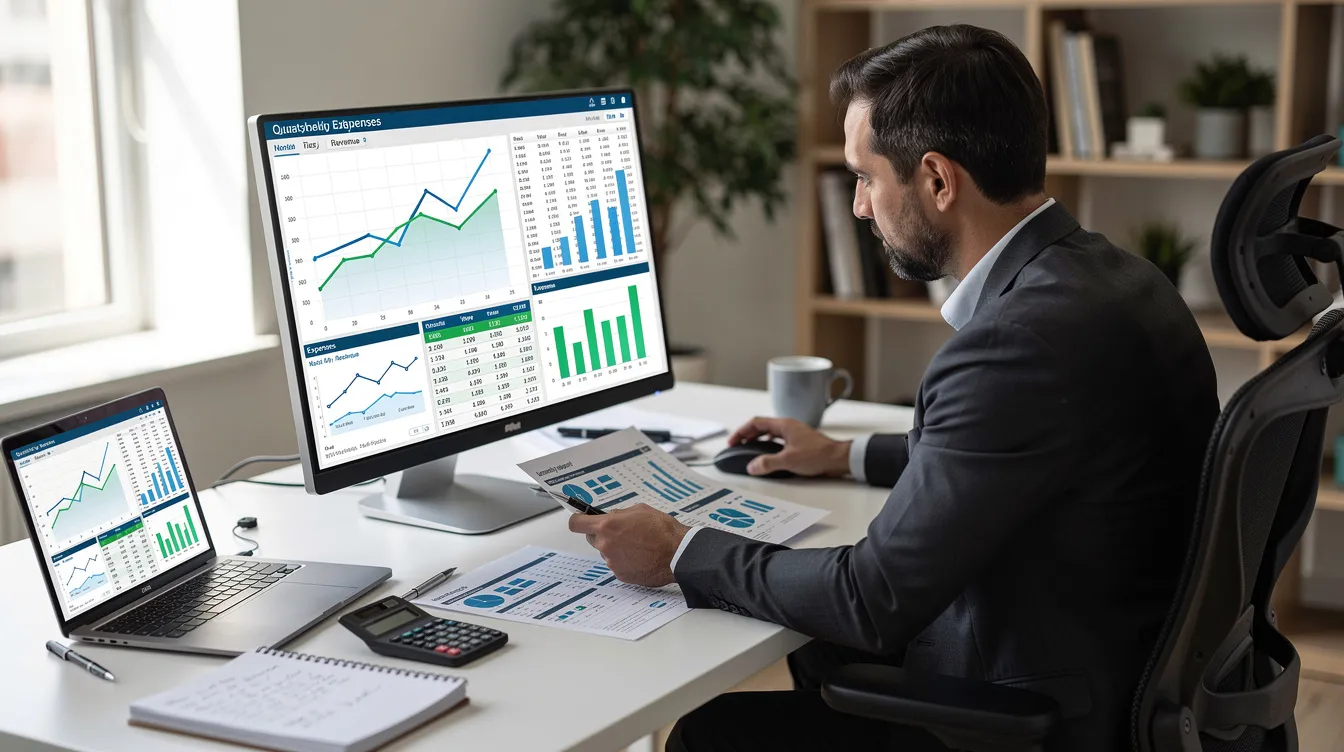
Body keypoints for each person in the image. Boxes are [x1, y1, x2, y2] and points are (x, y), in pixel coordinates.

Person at [569, 24, 1219, 751]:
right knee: (817, 652)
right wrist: (845, 456)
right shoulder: (1119, 280)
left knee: (711, 732)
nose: (857, 207)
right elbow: (1017, 454)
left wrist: (680, 550)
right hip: (1116, 658)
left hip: (1043, 710)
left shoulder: (1013, 344)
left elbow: (868, 599)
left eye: (866, 177)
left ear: (938, 180)